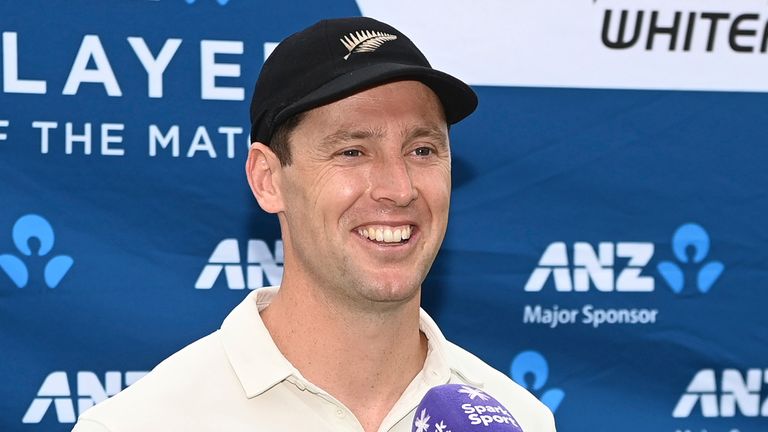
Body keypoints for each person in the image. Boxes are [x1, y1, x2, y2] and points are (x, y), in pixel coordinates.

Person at [72, 16, 556, 432]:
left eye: (422, 150)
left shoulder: (519, 418)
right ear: (267, 180)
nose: (399, 187)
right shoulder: (144, 423)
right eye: (352, 151)